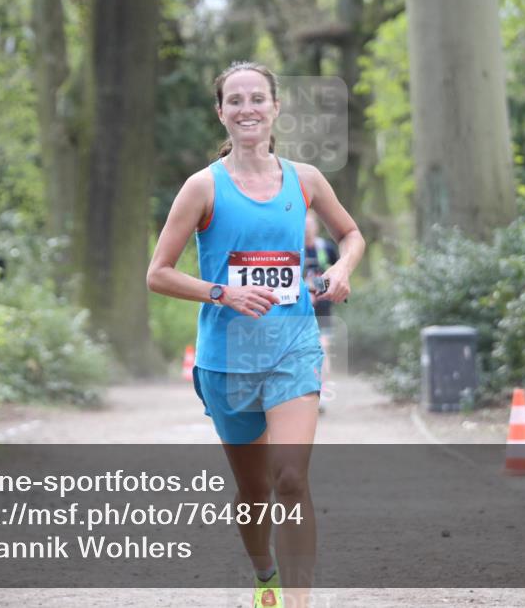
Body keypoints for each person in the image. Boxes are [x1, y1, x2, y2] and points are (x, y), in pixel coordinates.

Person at [147, 61, 365, 608]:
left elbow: (352, 234)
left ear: (275, 108)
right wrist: (223, 293)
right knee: (256, 491)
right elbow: (158, 273)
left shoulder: (306, 179)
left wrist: (341, 269)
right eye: (235, 101)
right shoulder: (203, 187)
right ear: (221, 113)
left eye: (257, 99)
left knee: (292, 480)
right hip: (227, 360)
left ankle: (298, 602)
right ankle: (265, 574)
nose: (248, 109)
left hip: (292, 348)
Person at [303, 210, 339, 411]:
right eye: (304, 225)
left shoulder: (326, 248)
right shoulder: (292, 250)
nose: (307, 229)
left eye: (310, 225)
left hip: (323, 312)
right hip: (297, 314)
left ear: (316, 226)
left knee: (322, 351)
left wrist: (317, 289)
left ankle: (321, 393)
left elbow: (337, 274)